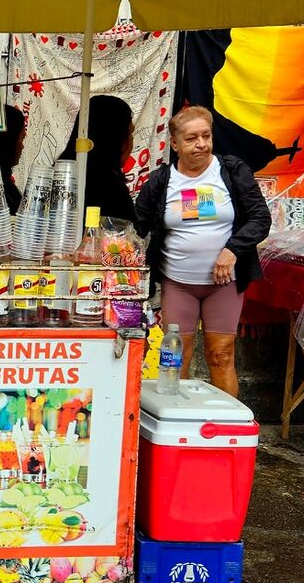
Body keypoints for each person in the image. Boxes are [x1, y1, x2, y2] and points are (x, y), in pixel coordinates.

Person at [134, 105, 271, 398]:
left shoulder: (232, 171)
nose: (201, 144)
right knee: (175, 360)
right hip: (178, 283)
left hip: (224, 284)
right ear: (174, 144)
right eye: (191, 138)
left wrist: (233, 249)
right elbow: (136, 226)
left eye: (206, 136)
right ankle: (175, 432)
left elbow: (260, 218)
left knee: (220, 355)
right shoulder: (161, 181)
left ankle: (226, 431)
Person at [57, 94, 136, 225]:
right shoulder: (109, 188)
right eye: (130, 134)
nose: (131, 141)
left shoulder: (60, 172)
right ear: (115, 139)